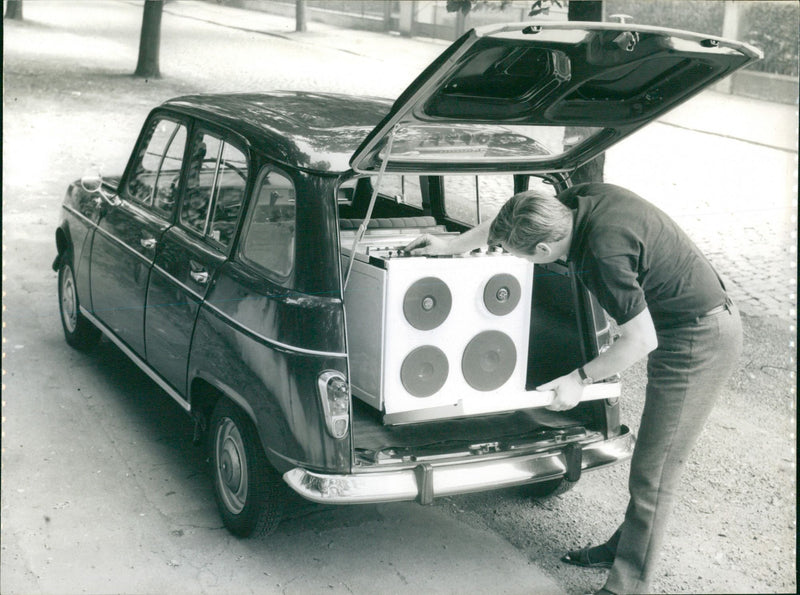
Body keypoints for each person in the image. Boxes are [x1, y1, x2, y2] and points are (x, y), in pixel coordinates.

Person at [405, 182, 742, 594]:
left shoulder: (602, 252)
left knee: (654, 472)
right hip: (672, 319)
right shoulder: (570, 203)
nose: (517, 258)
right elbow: (510, 219)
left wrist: (579, 379)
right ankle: (626, 549)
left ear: (544, 252)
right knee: (652, 465)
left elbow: (640, 340)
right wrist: (452, 245)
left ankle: (626, 587)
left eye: (520, 256)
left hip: (699, 334)